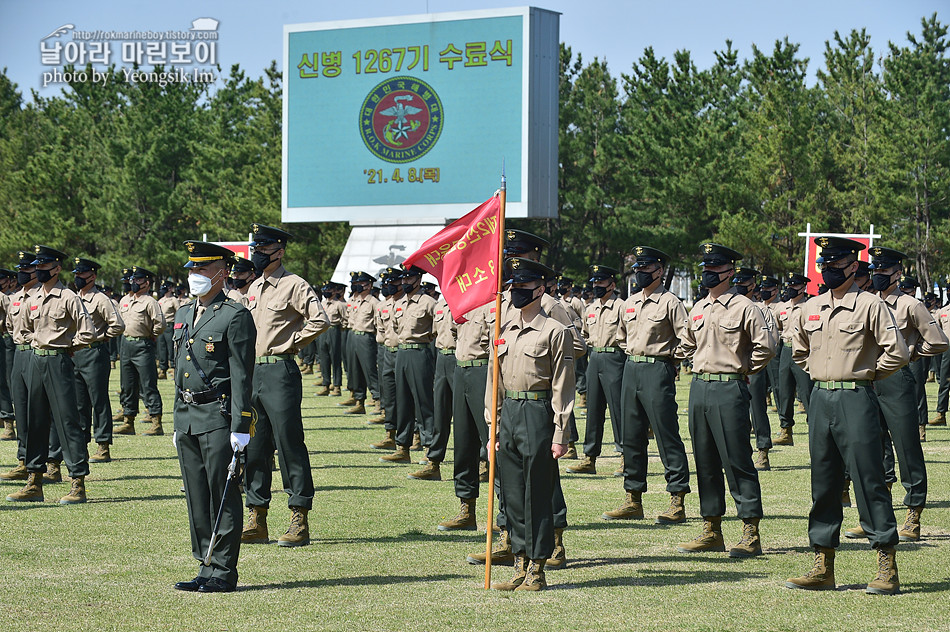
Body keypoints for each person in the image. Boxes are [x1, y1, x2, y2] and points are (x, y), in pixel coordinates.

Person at [786, 237, 908, 595]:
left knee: (869, 481)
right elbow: (799, 351)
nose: (828, 268)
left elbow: (896, 352)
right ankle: (823, 563)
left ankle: (886, 562)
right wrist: (821, 373)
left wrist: (868, 372)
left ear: (853, 266)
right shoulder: (812, 307)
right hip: (820, 399)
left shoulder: (870, 304)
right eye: (824, 262)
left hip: (857, 398)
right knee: (823, 484)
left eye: (836, 262)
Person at [840, 247, 946, 542]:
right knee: (872, 448)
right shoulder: (866, 302)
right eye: (875, 271)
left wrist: (912, 354)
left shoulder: (911, 305)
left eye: (884, 271)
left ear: (898, 274)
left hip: (897, 379)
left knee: (906, 447)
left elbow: (938, 342)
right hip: (867, 379)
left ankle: (913, 513)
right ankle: (876, 514)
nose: (877, 276)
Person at [678, 243, 773, 557]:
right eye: (705, 267)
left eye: (714, 268)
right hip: (700, 387)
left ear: (729, 272)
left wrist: (745, 367)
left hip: (729, 388)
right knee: (704, 461)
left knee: (737, 460)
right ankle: (712, 528)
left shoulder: (745, 306)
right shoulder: (698, 308)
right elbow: (688, 343)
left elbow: (766, 346)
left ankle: (750, 530)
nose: (707, 273)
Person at [172, 241, 255, 593]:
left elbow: (241, 376)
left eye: (203, 269)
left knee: (221, 492)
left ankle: (223, 570)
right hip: (187, 415)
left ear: (222, 273)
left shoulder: (234, 315)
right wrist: (177, 421)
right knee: (196, 495)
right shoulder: (182, 313)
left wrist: (241, 425)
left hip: (217, 417)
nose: (195, 275)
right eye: (192, 269)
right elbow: (179, 370)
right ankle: (205, 564)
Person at [487, 257, 574, 592]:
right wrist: (493, 426)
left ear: (541, 289)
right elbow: (494, 382)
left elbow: (563, 385)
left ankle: (538, 567)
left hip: (537, 415)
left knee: (536, 494)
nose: (517, 292)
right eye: (514, 287)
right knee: (511, 494)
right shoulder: (502, 330)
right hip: (508, 412)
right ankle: (519, 561)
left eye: (524, 287)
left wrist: (560, 433)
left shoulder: (555, 331)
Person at [241, 224, 329, 548]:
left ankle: (299, 516)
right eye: (255, 249)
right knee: (255, 446)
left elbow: (320, 320)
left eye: (263, 249)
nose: (257, 254)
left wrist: (292, 341)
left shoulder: (295, 285)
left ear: (279, 251)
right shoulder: (253, 289)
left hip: (280, 371)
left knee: (289, 443)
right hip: (254, 373)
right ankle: (257, 516)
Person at [604, 246, 691, 524]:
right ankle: (633, 498)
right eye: (638, 269)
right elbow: (621, 337)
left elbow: (686, 340)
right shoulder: (629, 303)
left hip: (657, 370)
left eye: (646, 269)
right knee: (631, 435)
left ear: (659, 271)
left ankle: (677, 499)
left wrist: (668, 359)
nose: (640, 273)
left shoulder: (670, 302)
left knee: (667, 435)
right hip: (631, 368)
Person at [6, 245, 94, 504]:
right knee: (35, 422)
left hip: (58, 362)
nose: (38, 271)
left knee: (68, 423)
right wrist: (37, 339)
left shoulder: (68, 297)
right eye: (37, 267)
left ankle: (77, 482)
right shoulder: (32, 298)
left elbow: (87, 331)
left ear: (56, 268)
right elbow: (20, 331)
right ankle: (34, 481)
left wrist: (66, 344)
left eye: (44, 267)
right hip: (35, 361)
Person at [567, 265, 624, 476]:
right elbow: (585, 334)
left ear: (612, 284)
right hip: (595, 357)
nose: (596, 286)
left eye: (601, 282)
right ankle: (589, 458)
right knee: (593, 410)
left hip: (615, 357)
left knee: (619, 410)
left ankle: (625, 456)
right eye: (595, 283)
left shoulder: (621, 307)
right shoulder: (590, 309)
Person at [380, 265, 436, 467]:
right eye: (402, 279)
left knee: (423, 402)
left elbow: (435, 329)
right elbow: (394, 327)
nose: (403, 283)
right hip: (401, 352)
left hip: (420, 351)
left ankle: (430, 448)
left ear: (418, 280)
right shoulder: (399, 303)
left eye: (408, 279)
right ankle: (402, 447)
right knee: (402, 401)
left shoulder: (429, 303)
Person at [72, 258, 125, 463]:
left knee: (98, 401)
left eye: (81, 274)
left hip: (94, 354)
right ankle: (82, 444)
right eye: (76, 274)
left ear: (92, 276)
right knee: (79, 403)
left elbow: (117, 325)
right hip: (75, 353)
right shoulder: (75, 297)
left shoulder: (100, 299)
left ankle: (103, 446)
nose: (77, 278)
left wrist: (101, 337)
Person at [733, 269, 779, 471]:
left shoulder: (762, 310)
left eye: (744, 282)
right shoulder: (728, 307)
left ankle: (763, 451)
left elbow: (771, 342)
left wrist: (752, 366)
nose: (739, 286)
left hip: (752, 368)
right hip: (731, 368)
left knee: (757, 409)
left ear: (753, 286)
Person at [0, 251, 39, 480]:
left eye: (27, 269)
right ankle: (24, 460)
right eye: (20, 269)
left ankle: (50, 462)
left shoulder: (44, 296)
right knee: (22, 408)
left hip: (39, 353)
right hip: (18, 352)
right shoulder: (16, 299)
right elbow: (9, 324)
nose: (22, 273)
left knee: (43, 411)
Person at [115, 266, 166, 436]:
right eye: (133, 280)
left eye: (138, 280)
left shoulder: (150, 302)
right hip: (126, 343)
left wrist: (151, 335)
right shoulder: (125, 300)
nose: (134, 283)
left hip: (143, 345)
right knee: (127, 385)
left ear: (146, 283)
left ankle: (156, 422)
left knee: (148, 384)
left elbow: (160, 324)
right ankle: (128, 421)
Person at [414, 290, 455, 480]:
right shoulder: (440, 304)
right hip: (442, 358)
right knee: (440, 412)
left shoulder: (468, 301)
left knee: (471, 416)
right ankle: (434, 462)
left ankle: (483, 462)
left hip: (461, 358)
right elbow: (433, 333)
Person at [774, 273, 812, 446]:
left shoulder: (810, 306)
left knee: (806, 392)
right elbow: (778, 327)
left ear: (803, 288)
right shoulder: (782, 308)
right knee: (784, 391)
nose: (790, 289)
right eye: (788, 285)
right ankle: (786, 430)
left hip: (804, 351)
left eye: (794, 286)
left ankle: (814, 428)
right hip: (785, 350)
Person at [340, 271, 378, 415]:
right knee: (354, 370)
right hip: (352, 335)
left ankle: (378, 401)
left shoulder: (374, 302)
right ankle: (359, 401)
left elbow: (378, 323)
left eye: (363, 284)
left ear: (370, 285)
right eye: (358, 284)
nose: (359, 286)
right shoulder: (353, 301)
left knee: (370, 371)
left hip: (366, 337)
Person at [316, 281, 346, 397]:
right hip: (323, 331)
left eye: (329, 290)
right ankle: (325, 384)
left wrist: (339, 331)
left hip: (334, 330)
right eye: (325, 289)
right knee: (324, 358)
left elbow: (345, 319)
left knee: (335, 359)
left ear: (334, 291)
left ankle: (337, 386)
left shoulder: (339, 304)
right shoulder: (322, 303)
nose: (326, 292)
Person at [157, 282, 180, 380]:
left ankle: (174, 368)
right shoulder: (161, 300)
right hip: (161, 326)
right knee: (161, 348)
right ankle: (163, 369)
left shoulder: (174, 300)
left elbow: (179, 312)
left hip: (170, 326)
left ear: (170, 289)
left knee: (171, 348)